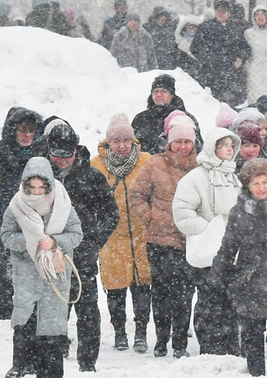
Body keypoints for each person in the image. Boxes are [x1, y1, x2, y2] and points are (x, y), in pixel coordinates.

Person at [43, 121, 120, 373]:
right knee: (53, 308)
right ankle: (54, 353)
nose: (62, 161)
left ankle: (87, 362)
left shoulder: (90, 176)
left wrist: (93, 241)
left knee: (86, 309)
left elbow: (111, 213)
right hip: (48, 253)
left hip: (82, 254)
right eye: (56, 154)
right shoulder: (39, 177)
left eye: (68, 154)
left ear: (76, 150)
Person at [208, 159, 267, 376]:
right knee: (252, 329)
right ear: (247, 186)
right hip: (251, 279)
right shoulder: (239, 212)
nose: (261, 187)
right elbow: (228, 247)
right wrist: (217, 275)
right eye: (255, 183)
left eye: (264, 182)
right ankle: (256, 374)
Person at [0, 158, 84, 378]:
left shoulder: (63, 204)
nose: (37, 192)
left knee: (52, 321)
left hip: (54, 272)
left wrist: (55, 241)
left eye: (41, 187)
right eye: (32, 187)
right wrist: (32, 241)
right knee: (25, 318)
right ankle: (21, 365)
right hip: (26, 273)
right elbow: (6, 235)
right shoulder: (16, 204)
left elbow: (76, 234)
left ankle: (51, 371)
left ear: (49, 185)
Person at [129, 117, 198, 357]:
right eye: (178, 141)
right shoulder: (155, 164)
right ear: (169, 142)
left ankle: (180, 345)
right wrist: (150, 218)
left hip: (189, 242)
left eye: (187, 141)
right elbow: (136, 195)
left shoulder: (200, 166)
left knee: (185, 296)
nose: (182, 146)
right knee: (160, 294)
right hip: (159, 242)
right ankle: (161, 341)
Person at [172, 128, 241, 355]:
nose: (229, 150)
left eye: (231, 145)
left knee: (231, 301)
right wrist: (209, 231)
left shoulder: (233, 177)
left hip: (232, 253)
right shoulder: (194, 178)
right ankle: (209, 349)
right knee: (209, 302)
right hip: (208, 253)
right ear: (212, 148)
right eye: (223, 145)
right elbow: (182, 213)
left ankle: (231, 348)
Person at [92, 114, 153, 353]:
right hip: (111, 237)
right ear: (109, 143)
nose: (122, 145)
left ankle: (141, 332)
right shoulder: (96, 165)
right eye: (116, 141)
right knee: (115, 288)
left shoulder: (147, 161)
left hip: (141, 235)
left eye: (126, 140)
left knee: (142, 286)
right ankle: (119, 332)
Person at [0, 107, 42, 321]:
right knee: (4, 272)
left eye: (31, 130)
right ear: (12, 130)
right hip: (4, 216)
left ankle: (32, 318)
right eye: (22, 130)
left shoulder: (40, 150)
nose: (27, 135)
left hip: (36, 218)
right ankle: (6, 318)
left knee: (34, 269)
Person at [192, 2, 251, 105]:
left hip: (231, 73)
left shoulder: (236, 29)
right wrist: (207, 59)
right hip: (210, 73)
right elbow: (195, 48)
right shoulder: (205, 27)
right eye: (219, 11)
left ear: (229, 14)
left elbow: (245, 48)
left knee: (231, 105)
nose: (221, 13)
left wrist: (240, 58)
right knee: (210, 104)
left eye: (224, 11)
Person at [131, 74, 199, 156]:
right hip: (147, 165)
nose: (159, 95)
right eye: (156, 91)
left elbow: (198, 148)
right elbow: (132, 147)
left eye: (164, 91)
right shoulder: (141, 119)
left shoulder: (185, 118)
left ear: (172, 95)